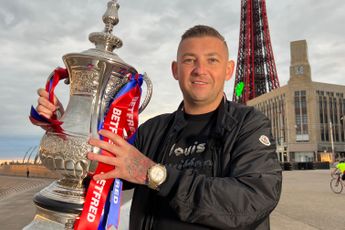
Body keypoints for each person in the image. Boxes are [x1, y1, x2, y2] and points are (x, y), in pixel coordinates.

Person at [36, 25, 282, 230]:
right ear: (175, 70)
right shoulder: (152, 131)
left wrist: (154, 174)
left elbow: (251, 201)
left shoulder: (249, 125)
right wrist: (70, 122)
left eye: (212, 60)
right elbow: (99, 168)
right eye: (189, 60)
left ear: (228, 70)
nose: (200, 70)